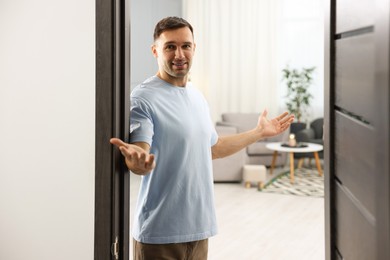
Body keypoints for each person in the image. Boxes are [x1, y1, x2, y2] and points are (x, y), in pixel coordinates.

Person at [110, 16, 294, 260]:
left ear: (194, 48)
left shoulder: (197, 96)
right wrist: (138, 161)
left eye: (185, 45)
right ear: (155, 50)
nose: (179, 54)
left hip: (199, 230)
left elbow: (213, 148)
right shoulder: (143, 98)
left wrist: (258, 132)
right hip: (159, 235)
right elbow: (139, 151)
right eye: (170, 47)